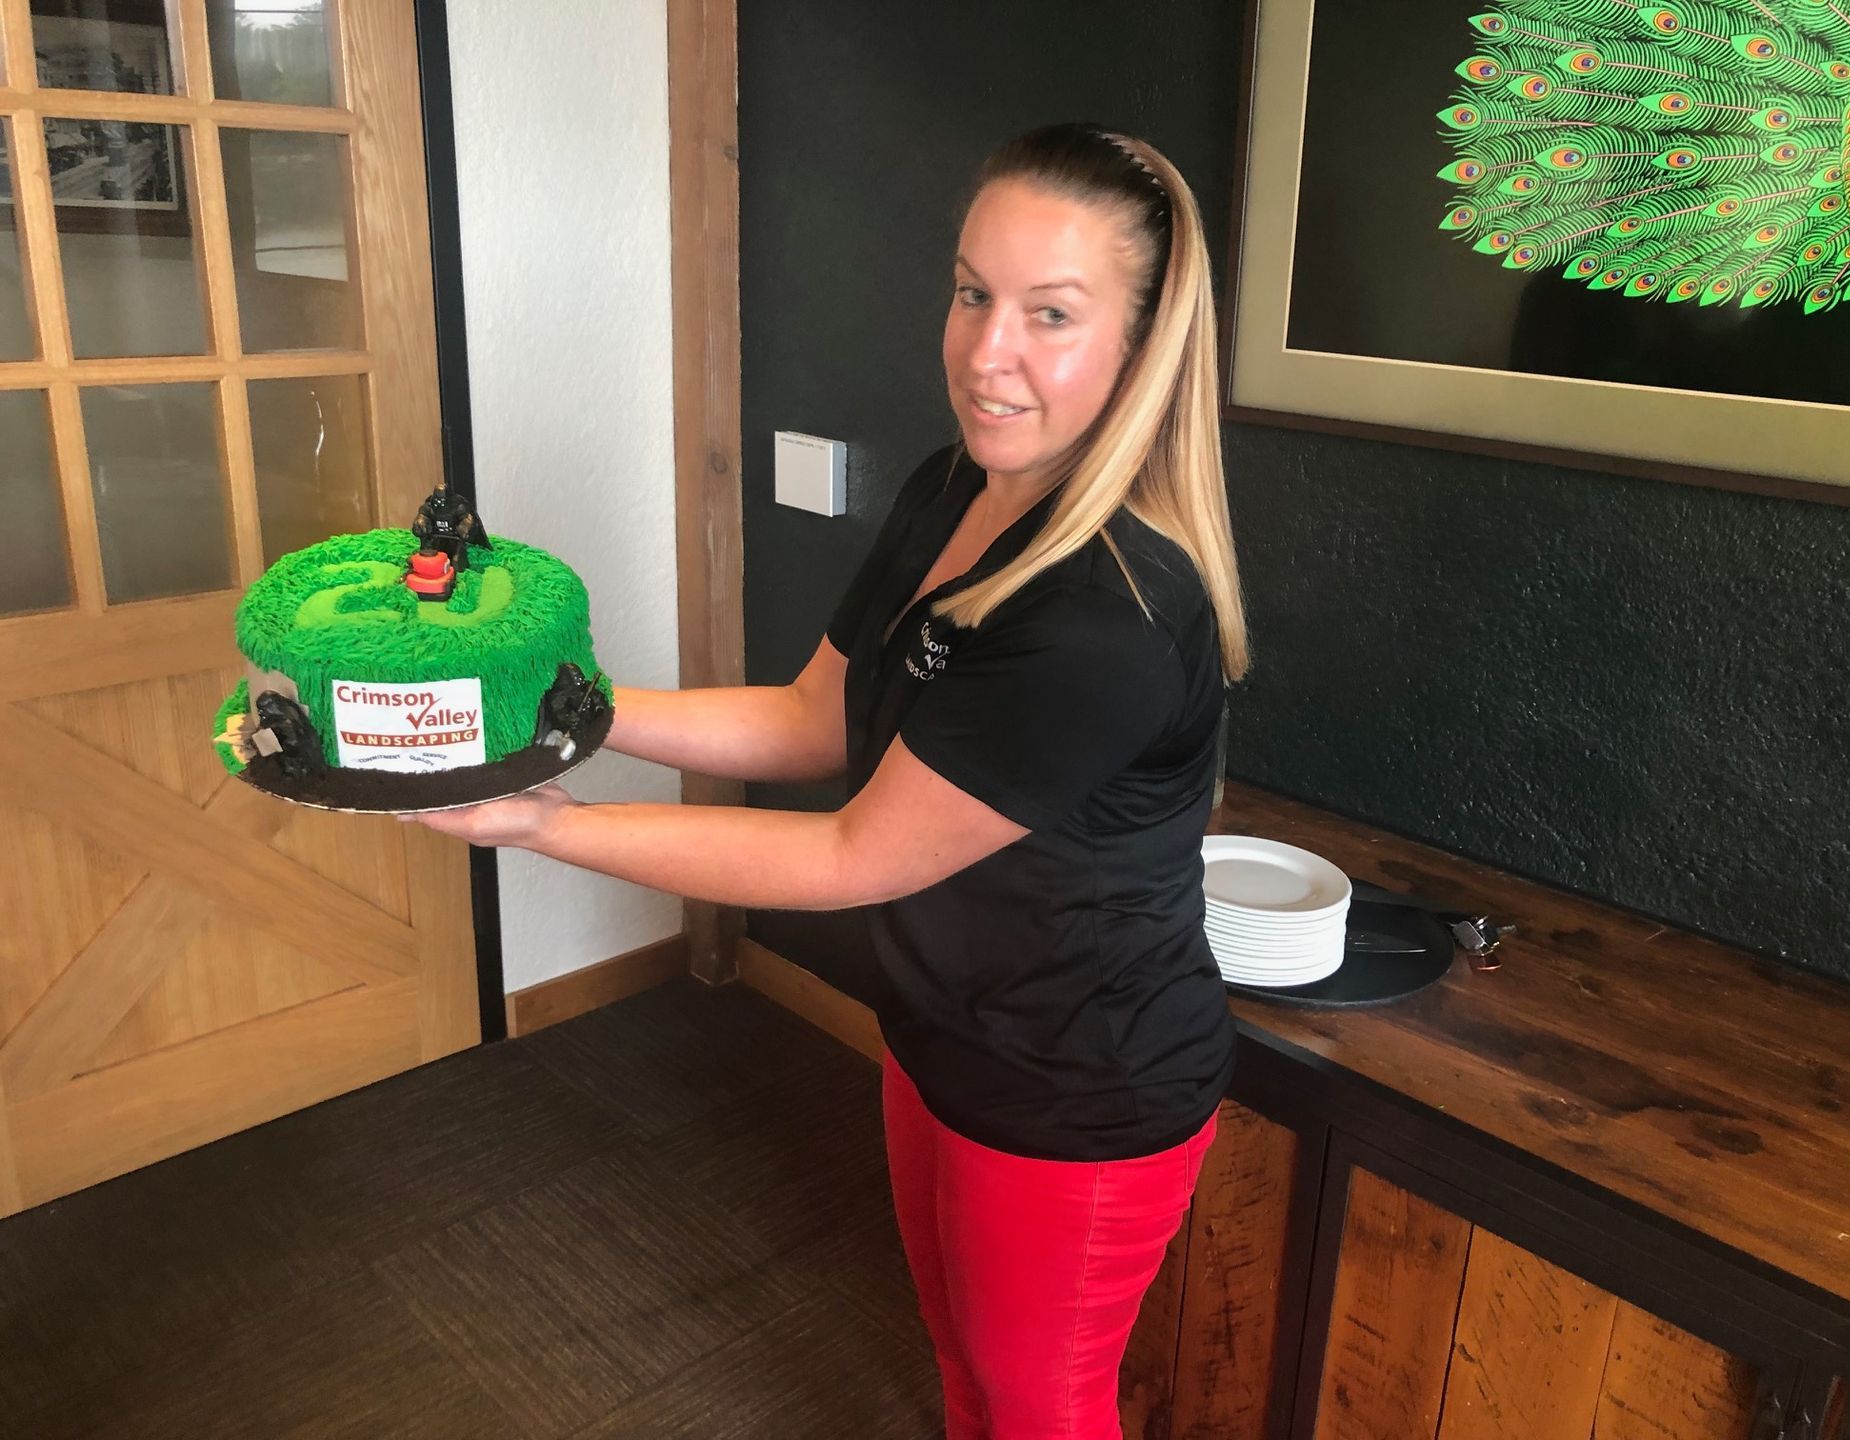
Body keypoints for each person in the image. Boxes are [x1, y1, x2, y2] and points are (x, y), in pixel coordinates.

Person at [409, 121, 1251, 1440]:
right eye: (972, 294)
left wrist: (544, 822)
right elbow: (815, 719)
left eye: (1050, 314)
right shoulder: (955, 486)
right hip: (940, 1024)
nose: (986, 352)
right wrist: (565, 718)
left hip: (1077, 1081)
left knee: (1041, 1406)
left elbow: (852, 853)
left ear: (1142, 349)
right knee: (964, 1367)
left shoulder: (1110, 612)